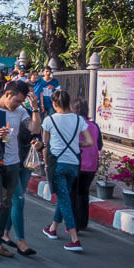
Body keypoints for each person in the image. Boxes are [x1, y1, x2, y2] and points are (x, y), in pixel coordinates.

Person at [0, 80, 42, 260]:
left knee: (6, 204)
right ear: (8, 94)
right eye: (17, 101)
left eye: (22, 102)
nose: (19, 104)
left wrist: (35, 109)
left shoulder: (21, 112)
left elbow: (34, 128)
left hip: (13, 163)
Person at [41, 90, 94, 252]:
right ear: (69, 102)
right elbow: (89, 141)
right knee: (64, 196)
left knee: (64, 199)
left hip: (57, 163)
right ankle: (53, 228)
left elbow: (45, 143)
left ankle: (74, 239)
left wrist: (45, 162)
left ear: (54, 104)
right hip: (73, 164)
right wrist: (77, 146)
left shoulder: (49, 120)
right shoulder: (79, 120)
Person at [71, 97, 103, 230]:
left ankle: (75, 224)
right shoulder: (94, 125)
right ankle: (83, 222)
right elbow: (99, 145)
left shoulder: (74, 124)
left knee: (74, 194)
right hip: (91, 165)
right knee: (84, 193)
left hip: (77, 163)